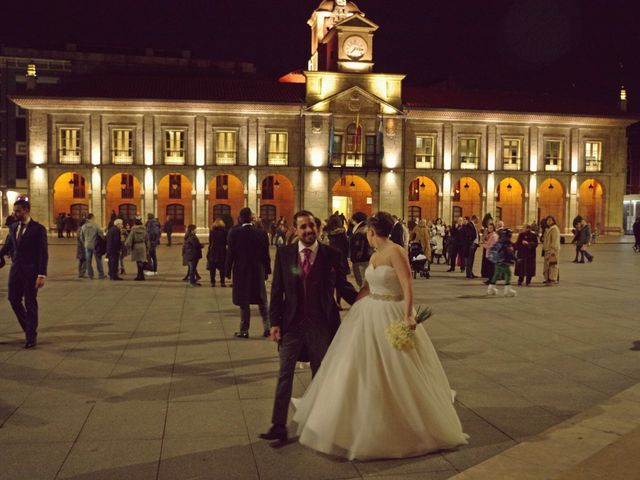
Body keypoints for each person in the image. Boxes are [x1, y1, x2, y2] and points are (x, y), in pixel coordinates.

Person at [290, 211, 467, 459]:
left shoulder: (395, 251)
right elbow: (367, 287)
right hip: (368, 310)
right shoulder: (375, 254)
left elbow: (407, 285)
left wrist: (407, 316)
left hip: (391, 311)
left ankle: (398, 419)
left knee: (397, 367)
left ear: (373, 232)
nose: (368, 238)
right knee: (358, 366)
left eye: (368, 235)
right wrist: (355, 302)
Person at [260, 210, 358, 444]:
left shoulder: (332, 254)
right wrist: (274, 323)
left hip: (321, 326)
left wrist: (368, 299)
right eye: (303, 227)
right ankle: (278, 425)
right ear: (295, 230)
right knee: (285, 375)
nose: (308, 230)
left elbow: (343, 286)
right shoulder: (284, 254)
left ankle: (319, 423)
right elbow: (277, 292)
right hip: (291, 324)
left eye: (311, 226)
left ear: (318, 228)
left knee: (320, 375)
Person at [0, 199, 48, 349]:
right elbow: (8, 245)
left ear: (26, 210)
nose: (15, 213)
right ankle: (29, 327)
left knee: (30, 302)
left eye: (18, 211)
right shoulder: (13, 227)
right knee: (13, 299)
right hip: (16, 271)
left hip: (31, 272)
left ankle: (30, 337)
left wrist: (41, 274)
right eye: (14, 211)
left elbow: (43, 253)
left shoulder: (38, 229)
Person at [226, 208, 271, 338]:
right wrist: (267, 270)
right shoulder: (261, 233)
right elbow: (265, 254)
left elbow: (230, 254)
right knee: (262, 300)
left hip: (241, 271)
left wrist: (227, 270)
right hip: (258, 270)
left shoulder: (234, 233)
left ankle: (244, 330)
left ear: (240, 218)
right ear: (251, 218)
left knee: (244, 301)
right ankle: (267, 327)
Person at [326, 214, 350, 309]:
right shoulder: (341, 232)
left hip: (328, 260)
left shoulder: (327, 233)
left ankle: (331, 302)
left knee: (329, 282)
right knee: (340, 282)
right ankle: (338, 302)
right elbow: (346, 246)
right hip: (341, 259)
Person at [487, 227, 517, 297]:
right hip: (505, 262)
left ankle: (490, 289)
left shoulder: (499, 241)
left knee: (496, 274)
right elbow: (510, 253)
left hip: (497, 261)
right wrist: (516, 259)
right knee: (508, 274)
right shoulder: (507, 243)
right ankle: (507, 290)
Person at [78, 213, 105, 279]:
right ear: (92, 218)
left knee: (88, 261)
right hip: (95, 246)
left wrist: (85, 243)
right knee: (98, 260)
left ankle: (90, 275)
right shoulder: (96, 226)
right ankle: (101, 274)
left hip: (87, 245)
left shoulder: (83, 226)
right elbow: (101, 235)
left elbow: (81, 237)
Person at [348, 212, 371, 288]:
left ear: (356, 219)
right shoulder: (365, 227)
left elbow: (358, 246)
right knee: (364, 282)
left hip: (360, 260)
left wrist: (355, 258)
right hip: (366, 258)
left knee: (362, 283)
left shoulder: (360, 230)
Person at [207, 219, 228, 287]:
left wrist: (208, 252)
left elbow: (210, 242)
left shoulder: (212, 232)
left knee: (212, 269)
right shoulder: (225, 232)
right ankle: (222, 282)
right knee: (222, 268)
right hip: (222, 251)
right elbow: (226, 242)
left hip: (213, 251)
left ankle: (213, 282)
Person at [542, 216, 561, 285]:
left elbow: (555, 240)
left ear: (553, 221)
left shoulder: (554, 228)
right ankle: (548, 278)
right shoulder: (548, 229)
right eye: (547, 220)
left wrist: (553, 250)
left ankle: (552, 279)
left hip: (552, 250)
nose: (548, 221)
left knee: (552, 265)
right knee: (548, 265)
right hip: (547, 250)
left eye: (550, 220)